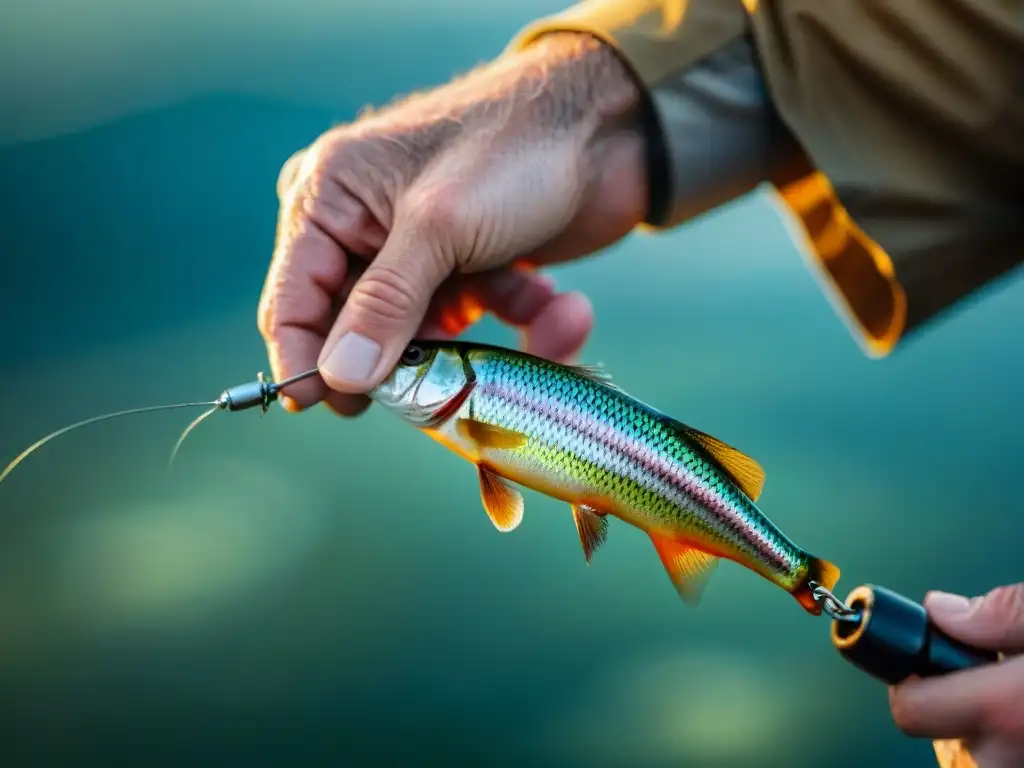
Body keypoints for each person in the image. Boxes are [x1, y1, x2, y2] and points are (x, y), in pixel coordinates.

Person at [257, 1, 1023, 765]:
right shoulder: (478, 406)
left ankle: (789, 569)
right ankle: (789, 569)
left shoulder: (476, 414)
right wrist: (592, 99)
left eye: (415, 361)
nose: (393, 360)